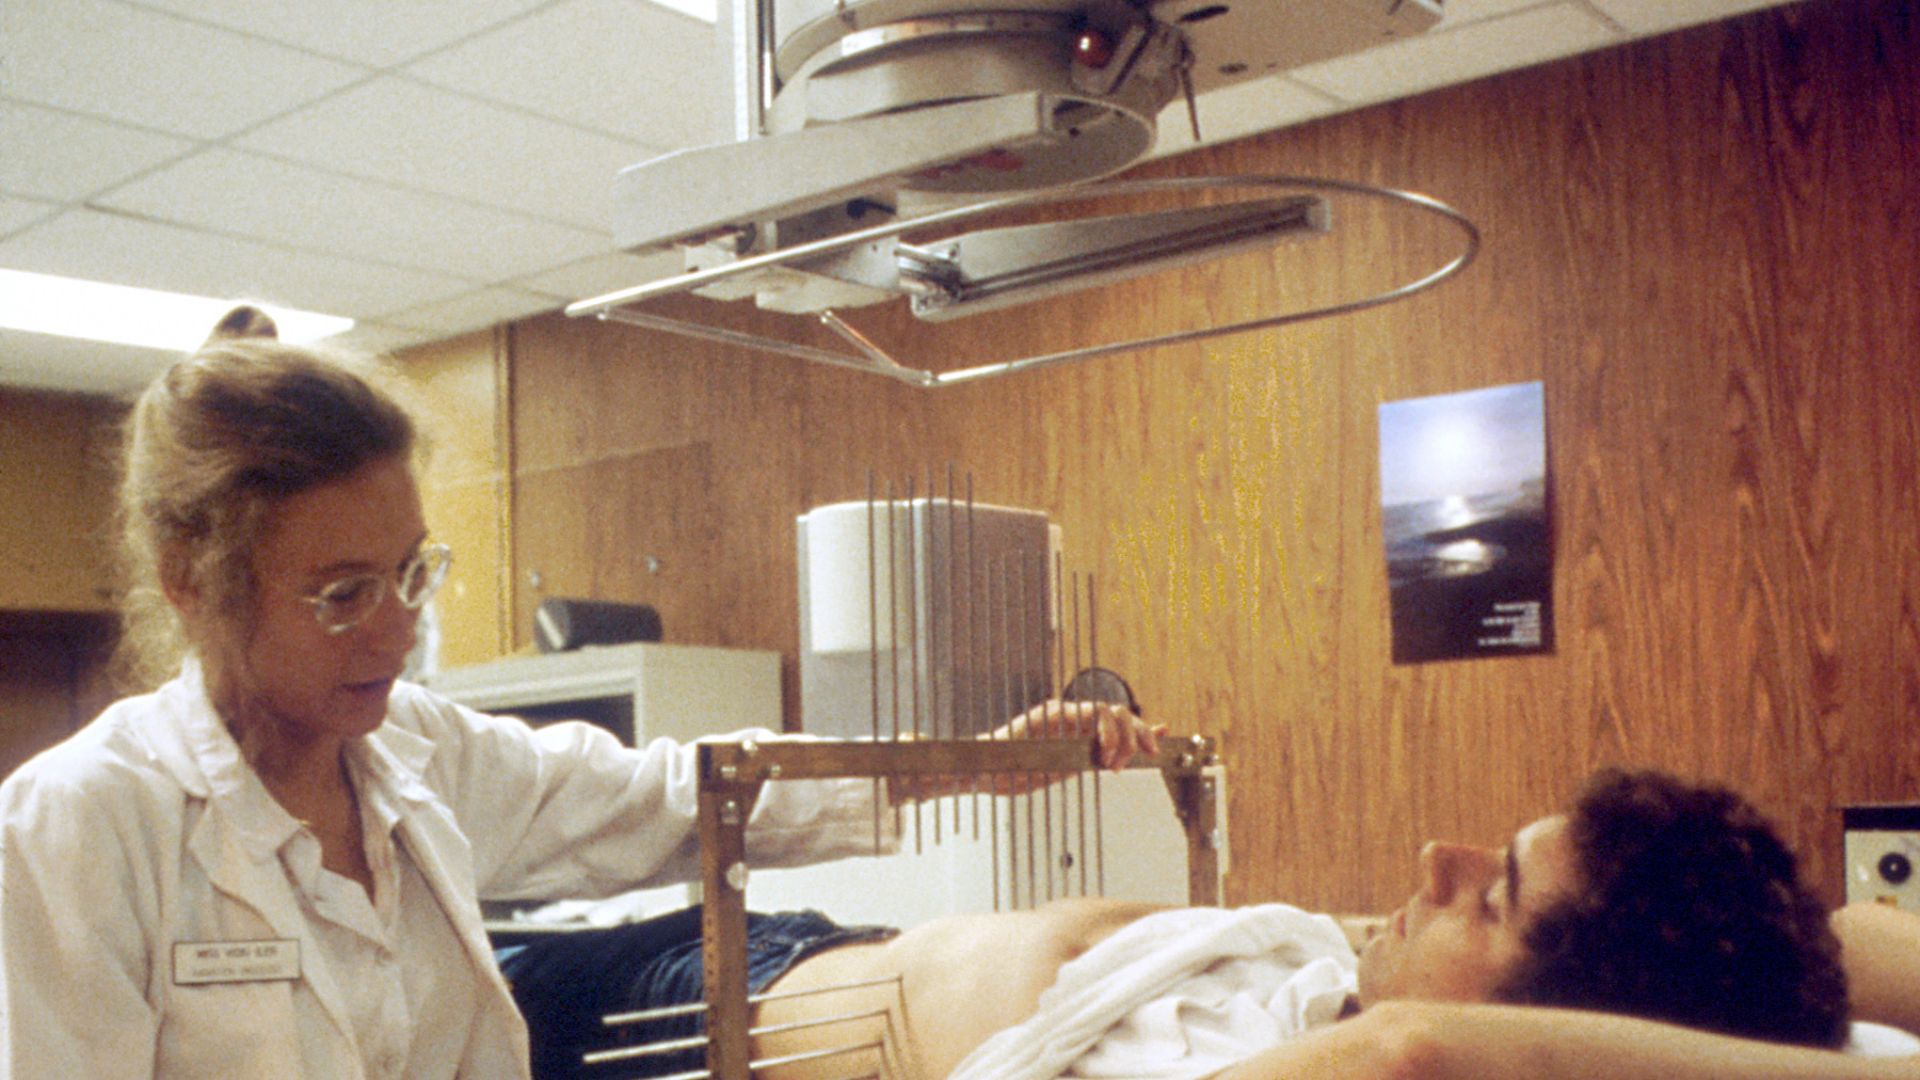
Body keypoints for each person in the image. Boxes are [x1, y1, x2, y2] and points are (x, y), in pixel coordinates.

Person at [0, 306, 1159, 1079]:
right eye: (343, 593)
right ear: (191, 582)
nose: (397, 628)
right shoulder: (86, 826)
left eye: (410, 574)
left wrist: (966, 763)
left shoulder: (417, 754)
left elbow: (675, 797)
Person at [598, 767, 1919, 1080]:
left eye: (1493, 897)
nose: (1439, 860)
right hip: (805, 933)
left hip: (697, 1025)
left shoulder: (1370, 1048)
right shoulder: (1349, 968)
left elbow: (1410, 1057)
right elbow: (1860, 930)